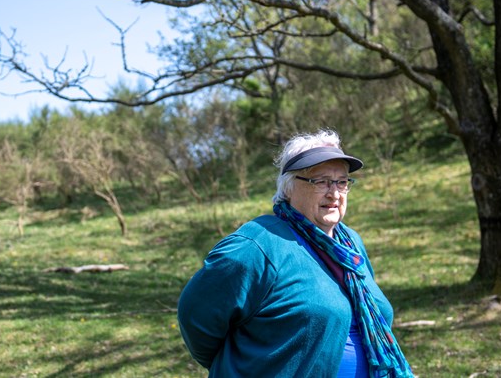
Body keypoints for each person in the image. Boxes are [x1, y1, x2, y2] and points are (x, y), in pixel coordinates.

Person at [177, 129, 413, 377]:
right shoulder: (256, 245)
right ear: (289, 187)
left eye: (342, 182)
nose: (334, 193)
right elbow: (195, 317)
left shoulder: (350, 243)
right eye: (320, 181)